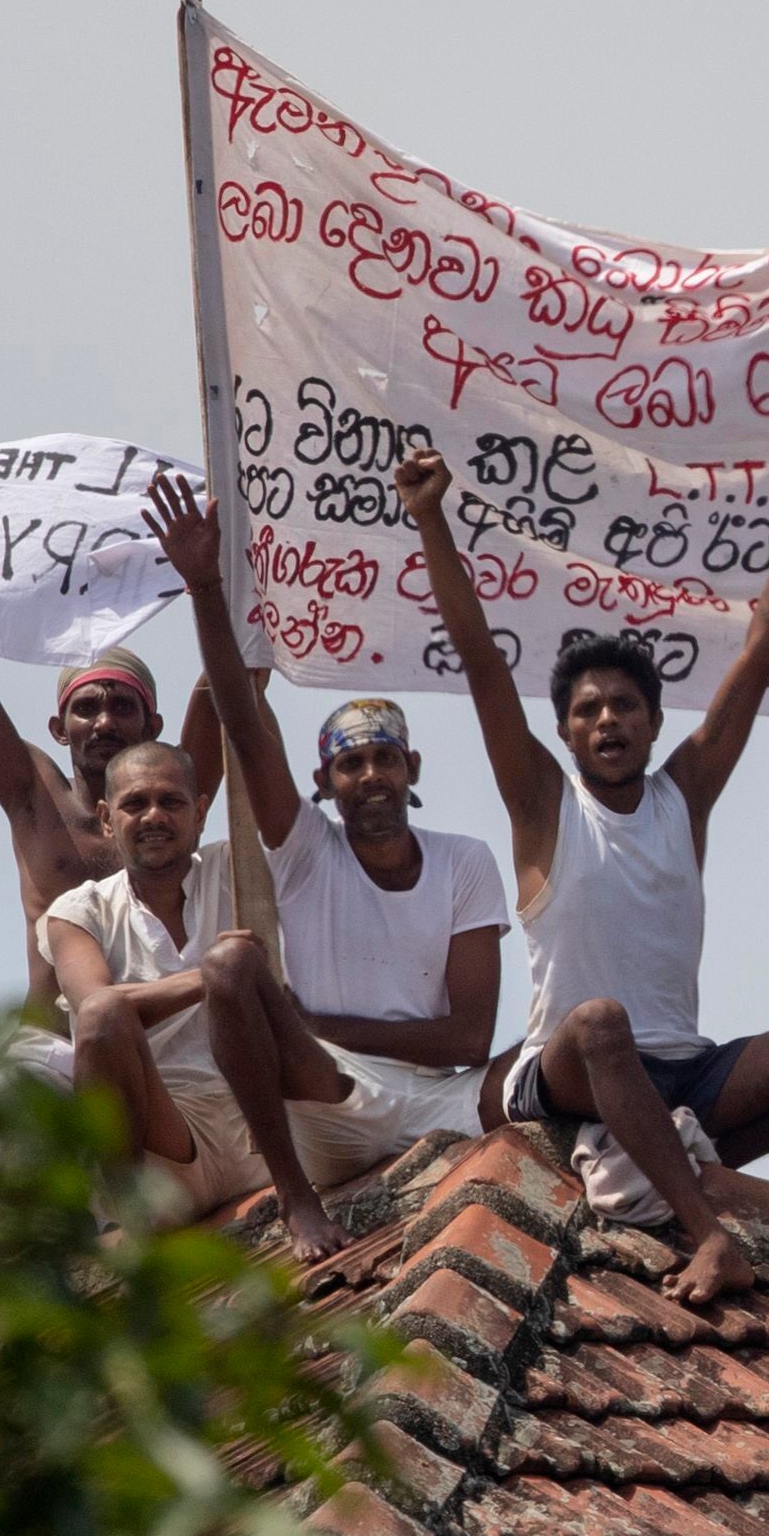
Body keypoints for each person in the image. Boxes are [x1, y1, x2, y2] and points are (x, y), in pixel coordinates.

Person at [400, 445, 769, 1305]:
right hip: (570, 1068)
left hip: (686, 1069)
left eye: (625, 707)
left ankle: (694, 1156)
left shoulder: (685, 793)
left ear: (652, 723)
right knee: (600, 1021)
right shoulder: (545, 803)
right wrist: (430, 518)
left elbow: (760, 654)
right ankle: (709, 1234)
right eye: (588, 710)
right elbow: (481, 662)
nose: (607, 720)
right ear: (566, 732)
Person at [147, 479, 506, 1174]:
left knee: (575, 1044)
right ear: (324, 785)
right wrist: (205, 588)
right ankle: (295, 1197)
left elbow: (470, 1037)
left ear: (413, 768)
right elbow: (243, 727)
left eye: (385, 758)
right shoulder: (309, 850)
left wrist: (316, 1023)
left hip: (445, 1098)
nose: (370, 775)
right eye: (350, 764)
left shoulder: (467, 861)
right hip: (333, 1094)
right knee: (234, 973)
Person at [42, 743, 434, 1261]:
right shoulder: (79, 910)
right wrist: (208, 977)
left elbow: (259, 765)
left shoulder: (243, 866)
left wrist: (241, 682)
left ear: (201, 812)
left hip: (283, 1117)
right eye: (136, 804)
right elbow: (96, 1007)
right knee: (117, 1010)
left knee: (231, 966)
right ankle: (135, 1231)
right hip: (176, 1141)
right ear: (107, 819)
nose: (155, 816)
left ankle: (296, 1198)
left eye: (172, 802)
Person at [0, 618, 216, 1036]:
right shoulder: (34, 796)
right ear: (59, 729)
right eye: (86, 709)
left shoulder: (172, 798)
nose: (104, 723)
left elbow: (224, 688)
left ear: (151, 726)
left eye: (122, 707)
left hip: (167, 1047)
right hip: (54, 1045)